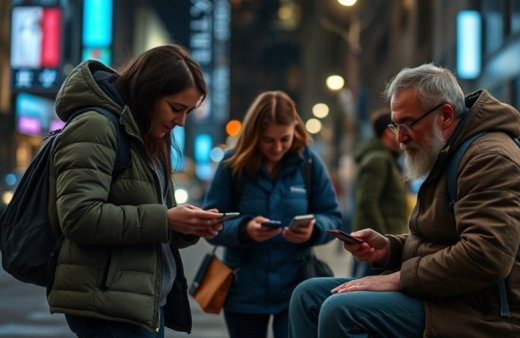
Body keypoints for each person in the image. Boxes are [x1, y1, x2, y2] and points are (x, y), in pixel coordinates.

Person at [288, 63, 520, 337]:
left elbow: (485, 256)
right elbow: (441, 240)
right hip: (452, 297)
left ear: (445, 115)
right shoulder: (448, 151)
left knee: (341, 310)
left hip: (489, 314)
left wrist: (397, 279)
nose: (400, 138)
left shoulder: (491, 159)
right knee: (308, 296)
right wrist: (390, 249)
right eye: (395, 125)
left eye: (408, 123)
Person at [47, 44, 225, 337]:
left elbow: (154, 222)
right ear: (149, 93)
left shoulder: (150, 135)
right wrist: (166, 220)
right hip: (108, 306)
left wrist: (188, 226)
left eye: (188, 112)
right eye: (176, 108)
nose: (181, 121)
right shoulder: (96, 126)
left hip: (142, 303)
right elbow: (79, 218)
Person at [203, 90, 343, 338]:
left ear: (295, 130)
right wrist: (245, 229)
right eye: (268, 140)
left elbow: (332, 217)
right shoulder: (231, 164)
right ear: (254, 134)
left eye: (285, 139)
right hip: (242, 289)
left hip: (295, 288)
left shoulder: (309, 163)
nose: (277, 147)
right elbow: (210, 224)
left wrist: (314, 230)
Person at [351, 109, 408, 277]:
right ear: (388, 132)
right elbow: (367, 201)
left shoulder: (387, 159)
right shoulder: (379, 159)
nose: (404, 135)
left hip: (382, 241)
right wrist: (383, 239)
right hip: (378, 244)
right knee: (362, 293)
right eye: (400, 128)